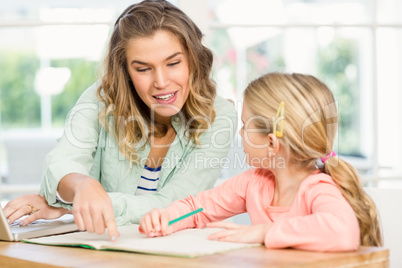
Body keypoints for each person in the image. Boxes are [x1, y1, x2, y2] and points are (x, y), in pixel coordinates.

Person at [3, 0, 237, 242]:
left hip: (181, 250)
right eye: (143, 69)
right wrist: (83, 187)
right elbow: (63, 161)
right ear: (125, 71)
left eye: (173, 63)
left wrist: (70, 206)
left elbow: (175, 204)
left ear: (193, 59)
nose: (161, 82)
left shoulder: (218, 116)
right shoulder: (101, 100)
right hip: (108, 246)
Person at [139, 72, 382, 251]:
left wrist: (265, 232)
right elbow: (197, 208)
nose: (241, 134)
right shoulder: (253, 183)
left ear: (271, 144)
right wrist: (167, 218)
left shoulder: (317, 189)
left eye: (245, 127)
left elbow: (343, 231)